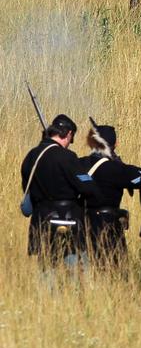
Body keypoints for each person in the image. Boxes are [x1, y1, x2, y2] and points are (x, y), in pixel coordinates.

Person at [21, 114, 99, 267]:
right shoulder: (67, 157)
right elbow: (88, 187)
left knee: (46, 268)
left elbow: (26, 188)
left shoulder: (31, 156)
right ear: (69, 134)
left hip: (41, 220)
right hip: (68, 219)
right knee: (77, 270)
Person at [78, 123, 141, 265]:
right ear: (115, 144)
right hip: (108, 227)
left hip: (82, 224)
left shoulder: (78, 163)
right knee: (113, 269)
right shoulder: (115, 168)